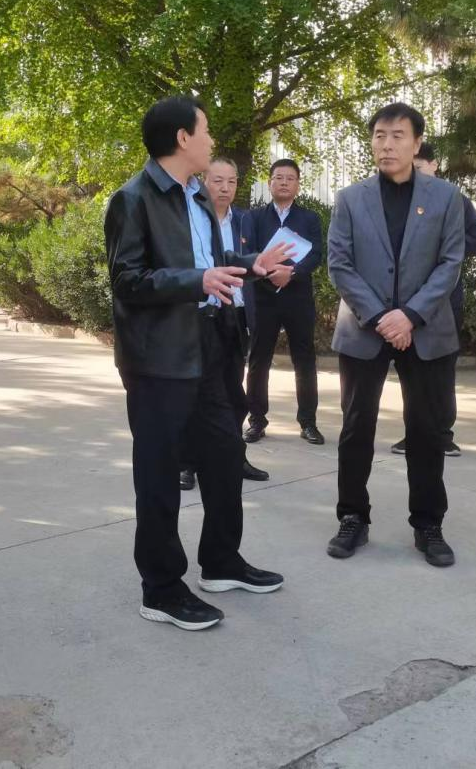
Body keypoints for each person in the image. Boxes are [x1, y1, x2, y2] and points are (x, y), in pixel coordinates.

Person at [104, 95, 292, 631]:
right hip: (160, 357)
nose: (212, 140)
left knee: (225, 456)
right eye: (205, 130)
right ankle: (161, 589)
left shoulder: (198, 195)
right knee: (160, 474)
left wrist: (252, 265)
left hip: (212, 344)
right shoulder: (132, 199)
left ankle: (222, 561)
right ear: (182, 138)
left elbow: (211, 262)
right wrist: (196, 282)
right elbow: (127, 280)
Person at [326, 103, 465, 567]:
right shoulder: (351, 199)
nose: (387, 145)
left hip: (425, 331)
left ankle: (428, 524)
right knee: (355, 427)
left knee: (426, 430)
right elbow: (339, 264)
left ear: (417, 143)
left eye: (398, 136)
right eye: (379, 136)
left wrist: (410, 316)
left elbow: (450, 263)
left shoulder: (446, 197)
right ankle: (352, 517)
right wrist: (381, 316)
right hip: (364, 329)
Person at [389, 141, 476, 458]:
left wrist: (442, 248)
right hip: (404, 303)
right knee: (409, 371)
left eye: (419, 166)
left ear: (434, 165)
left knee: (441, 370)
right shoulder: (398, 199)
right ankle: (414, 432)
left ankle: (443, 434)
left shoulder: (453, 199)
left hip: (443, 300)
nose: (414, 172)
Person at [179, 157, 269, 490]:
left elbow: (249, 264)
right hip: (200, 316)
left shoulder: (245, 220)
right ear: (205, 181)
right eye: (217, 181)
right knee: (196, 393)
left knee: (233, 392)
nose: (225, 188)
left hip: (235, 315)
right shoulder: (192, 217)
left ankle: (234, 457)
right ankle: (187, 463)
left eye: (231, 181)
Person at [243, 159, 326, 446]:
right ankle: (256, 420)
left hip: (297, 297)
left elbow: (316, 254)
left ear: (298, 185)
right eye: (278, 177)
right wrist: (269, 274)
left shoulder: (309, 218)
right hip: (263, 297)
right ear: (269, 183)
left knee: (304, 359)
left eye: (290, 178)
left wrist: (292, 273)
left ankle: (308, 422)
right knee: (259, 359)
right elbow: (249, 253)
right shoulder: (254, 217)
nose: (284, 182)